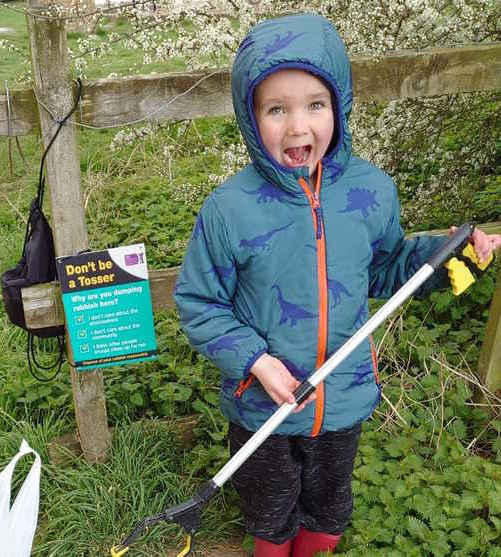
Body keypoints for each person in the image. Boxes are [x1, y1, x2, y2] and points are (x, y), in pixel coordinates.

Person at [173, 12, 501, 557]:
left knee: (327, 514)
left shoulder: (370, 191)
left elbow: (390, 269)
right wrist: (255, 360)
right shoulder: (230, 208)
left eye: (315, 105)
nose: (298, 127)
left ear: (339, 107)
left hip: (342, 397)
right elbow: (199, 302)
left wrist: (449, 258)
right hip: (265, 406)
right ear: (251, 118)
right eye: (277, 109)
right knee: (271, 518)